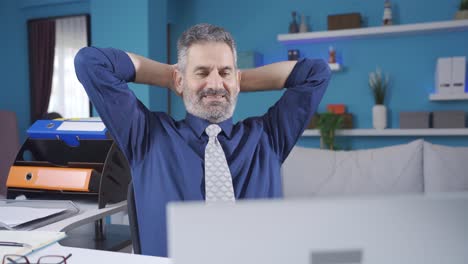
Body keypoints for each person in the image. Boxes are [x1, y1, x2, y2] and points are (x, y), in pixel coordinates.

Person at [74, 23, 330, 257]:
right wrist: (174, 77)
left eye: (224, 72)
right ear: (179, 79)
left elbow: (317, 73)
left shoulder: (268, 137)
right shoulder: (147, 135)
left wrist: (236, 81)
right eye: (202, 72)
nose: (215, 84)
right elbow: (91, 63)